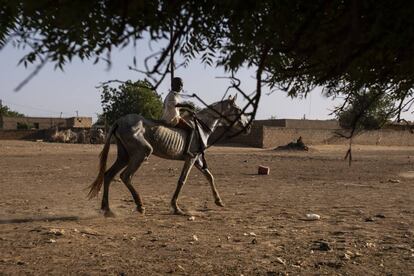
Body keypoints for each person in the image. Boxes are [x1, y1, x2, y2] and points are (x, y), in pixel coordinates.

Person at [162, 77, 195, 157]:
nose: (181, 87)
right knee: (191, 129)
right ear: (173, 85)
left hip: (172, 117)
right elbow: (175, 105)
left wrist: (188, 110)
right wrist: (187, 105)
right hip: (172, 119)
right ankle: (186, 151)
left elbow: (177, 107)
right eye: (179, 85)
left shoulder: (173, 95)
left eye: (181, 85)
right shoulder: (171, 95)